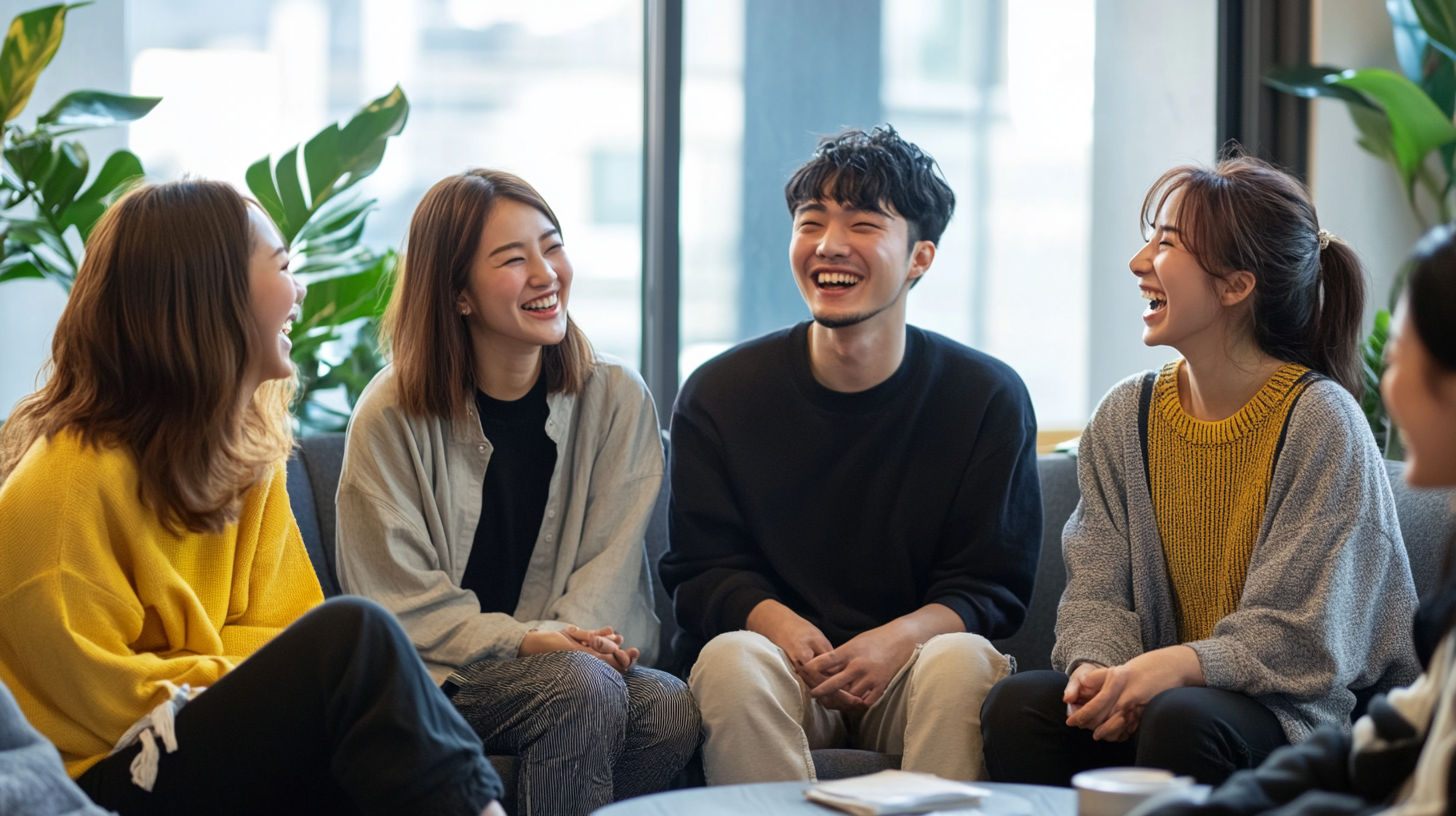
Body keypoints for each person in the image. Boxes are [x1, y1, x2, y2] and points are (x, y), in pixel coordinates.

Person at [0, 180, 504, 816]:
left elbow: (285, 624)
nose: (299, 293)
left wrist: (235, 676)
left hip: (189, 736)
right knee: (357, 636)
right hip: (106, 775)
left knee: (366, 729)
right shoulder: (63, 483)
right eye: (284, 268)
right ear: (210, 294)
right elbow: (97, 701)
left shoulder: (246, 455)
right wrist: (253, 681)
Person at [979, 156, 1420, 787]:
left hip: (1298, 718)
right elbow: (1096, 591)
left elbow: (1300, 641)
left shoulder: (1321, 421)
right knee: (1020, 708)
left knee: (1186, 719)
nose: (1139, 264)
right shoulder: (1126, 414)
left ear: (1236, 286)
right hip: (1161, 701)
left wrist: (1168, 670)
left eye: (1165, 244)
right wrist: (1097, 671)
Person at [660, 125, 1042, 784]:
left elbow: (992, 585)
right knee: (731, 660)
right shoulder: (719, 393)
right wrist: (780, 626)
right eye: (812, 222)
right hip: (782, 671)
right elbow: (700, 570)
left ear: (919, 258)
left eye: (864, 224)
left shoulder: (986, 398)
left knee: (962, 659)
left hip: (913, 671)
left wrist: (898, 640)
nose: (830, 246)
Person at [336, 169, 699, 816]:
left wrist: (575, 642)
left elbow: (613, 569)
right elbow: (393, 603)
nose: (546, 273)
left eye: (551, 246)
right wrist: (531, 642)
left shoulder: (615, 398)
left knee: (668, 709)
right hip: (435, 679)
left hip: (569, 667)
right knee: (582, 685)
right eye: (513, 259)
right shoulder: (390, 413)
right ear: (458, 296)